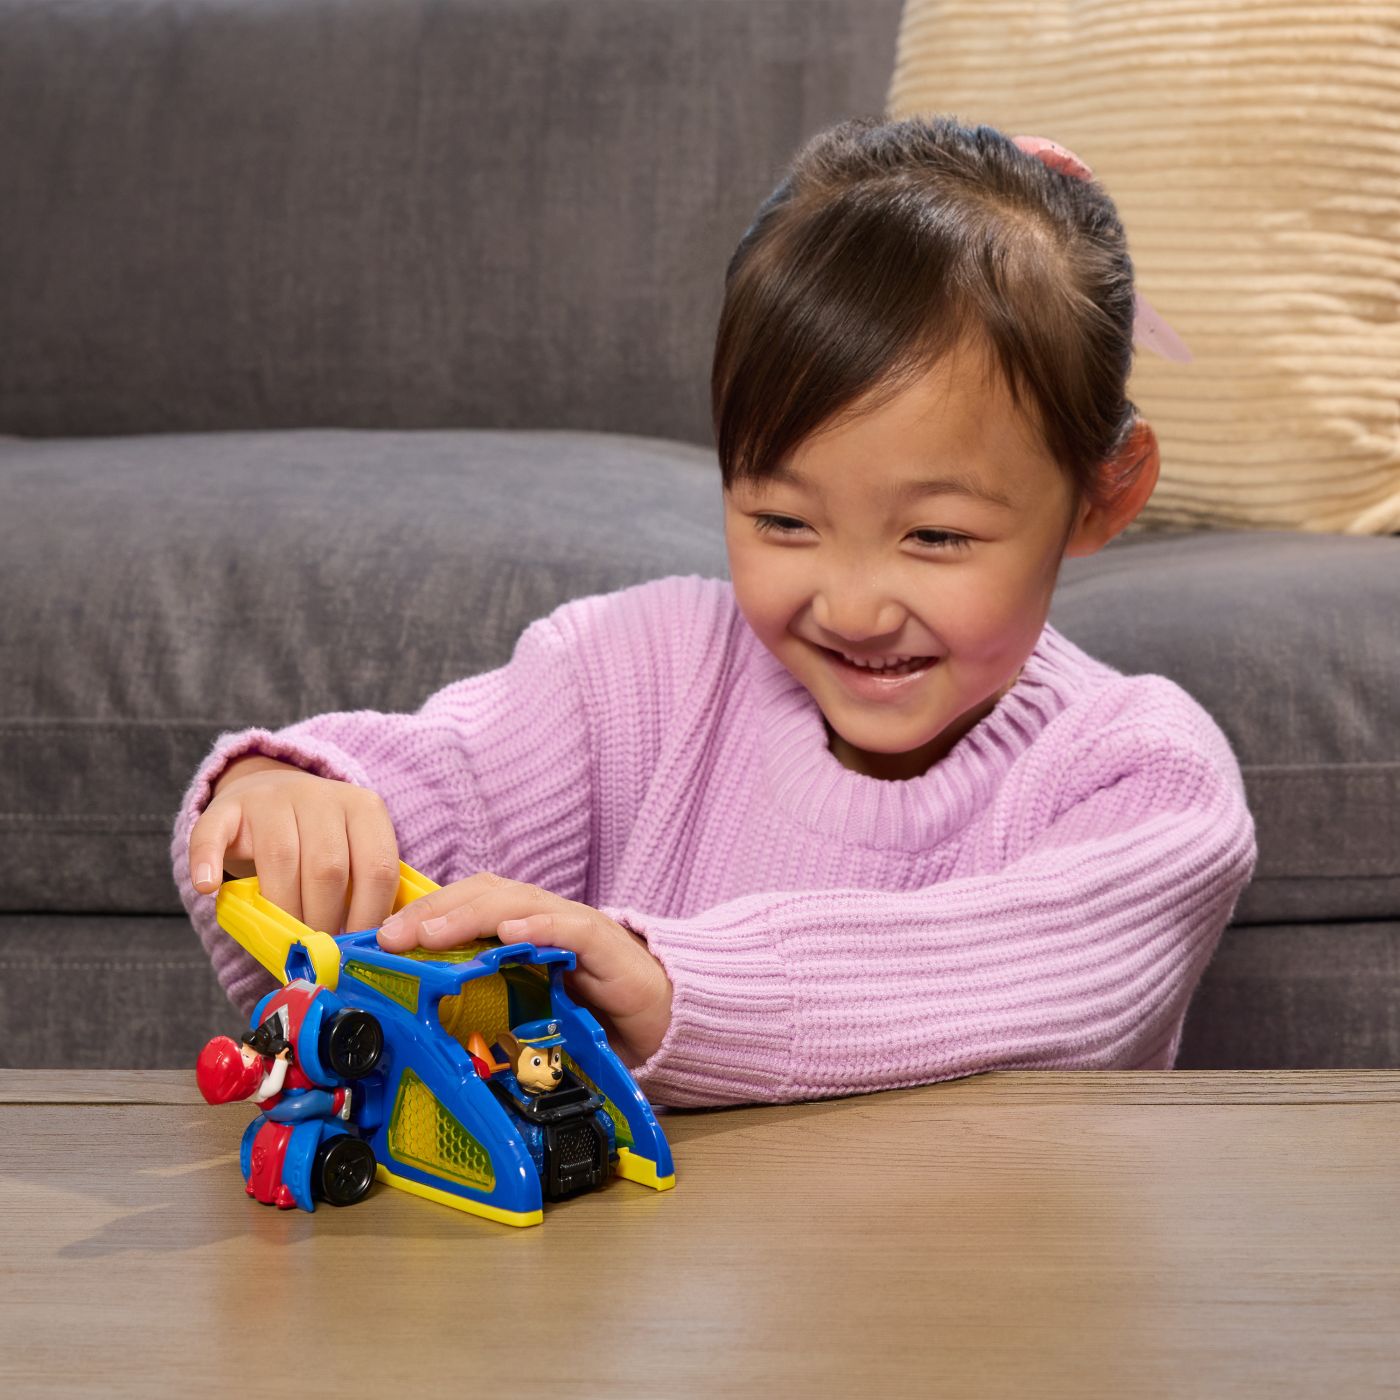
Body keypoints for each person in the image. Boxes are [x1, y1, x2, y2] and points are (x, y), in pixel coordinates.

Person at [172, 115, 1257, 1108]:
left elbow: (1031, 977)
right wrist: (291, 795)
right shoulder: (637, 669)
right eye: (783, 520)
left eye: (935, 536)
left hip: (969, 1255)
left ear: (1102, 495)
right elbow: (442, 778)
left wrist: (673, 989)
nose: (852, 606)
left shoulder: (1142, 771)